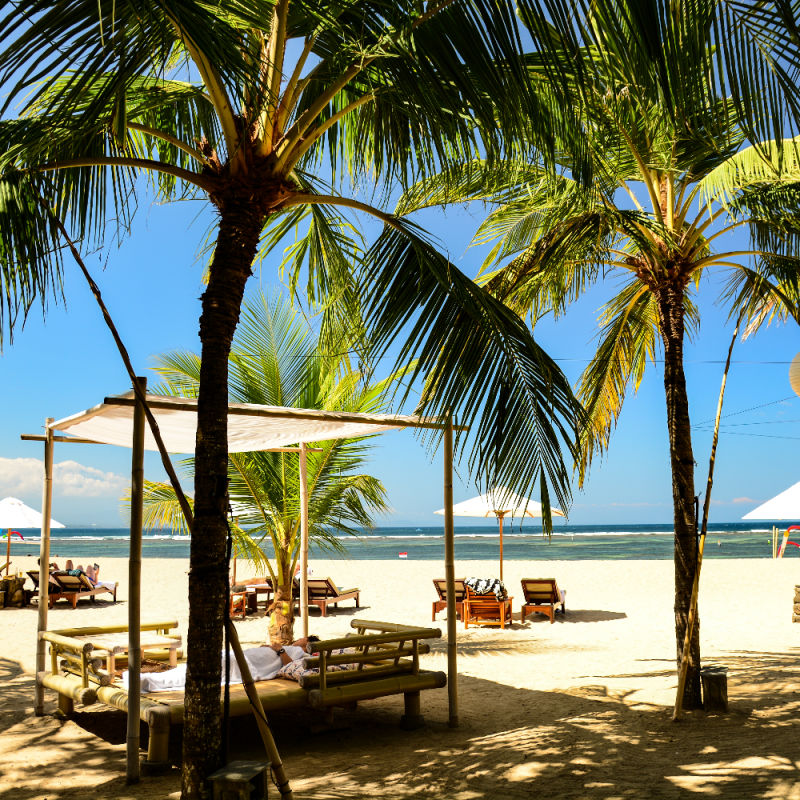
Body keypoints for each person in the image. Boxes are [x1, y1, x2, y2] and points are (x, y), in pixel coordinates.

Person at [123, 638, 313, 693]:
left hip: (245, 664)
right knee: (197, 667)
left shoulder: (299, 654)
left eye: (300, 641)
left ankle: (146, 681)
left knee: (202, 670)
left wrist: (280, 651)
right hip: (245, 657)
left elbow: (291, 667)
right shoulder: (290, 648)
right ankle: (146, 680)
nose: (296, 641)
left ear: (307, 645)